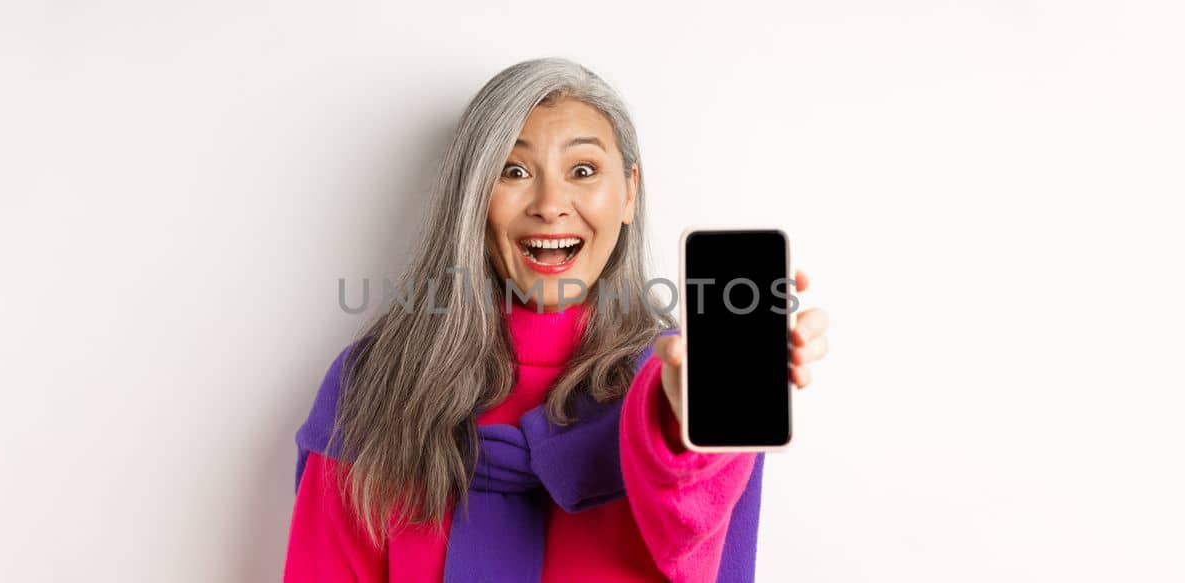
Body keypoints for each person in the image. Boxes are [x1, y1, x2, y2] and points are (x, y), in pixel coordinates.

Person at [283, 57, 830, 582]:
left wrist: (680, 421)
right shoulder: (375, 382)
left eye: (583, 170)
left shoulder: (680, 381)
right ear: (474, 198)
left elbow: (688, 524)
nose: (550, 204)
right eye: (514, 170)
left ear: (628, 194)